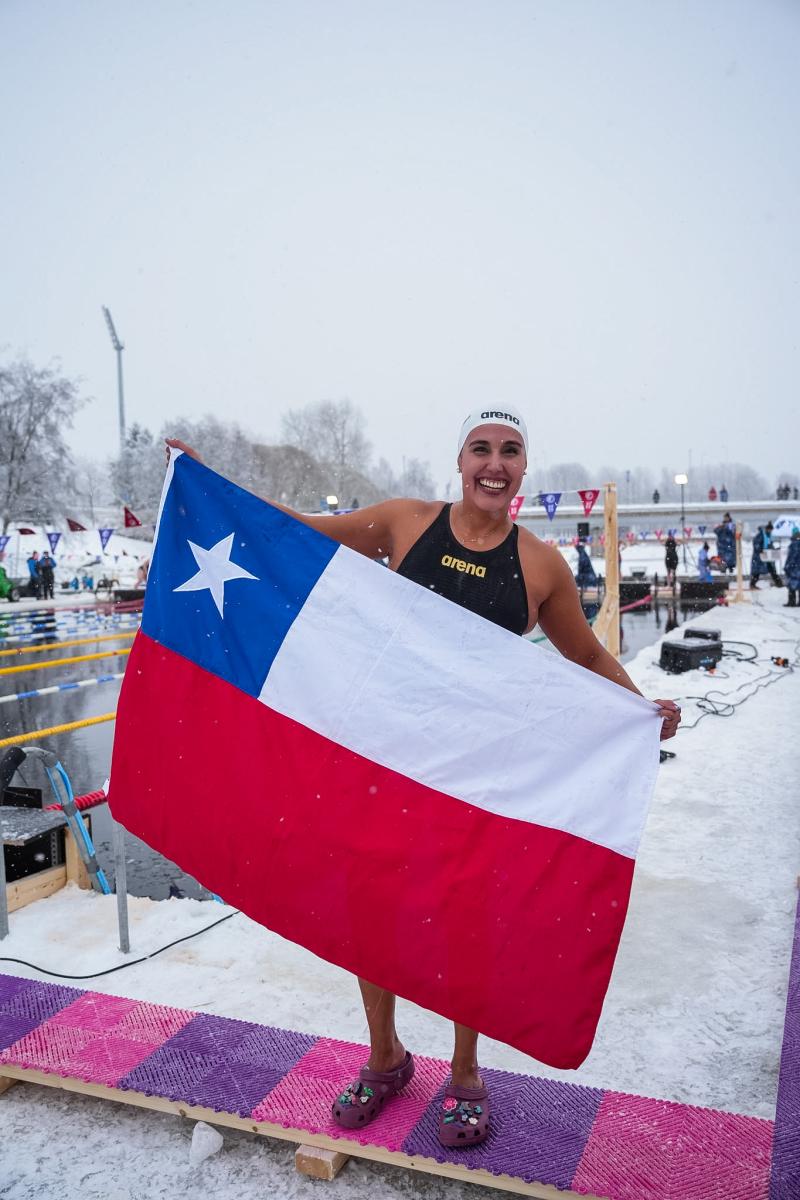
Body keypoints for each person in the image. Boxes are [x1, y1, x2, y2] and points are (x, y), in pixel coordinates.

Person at [165, 410, 680, 1148]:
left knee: (463, 920)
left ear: (523, 469)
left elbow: (588, 659)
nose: (494, 464)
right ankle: (386, 1056)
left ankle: (465, 1073)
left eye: (510, 452)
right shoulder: (406, 523)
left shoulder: (538, 565)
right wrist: (209, 485)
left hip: (476, 772)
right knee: (370, 907)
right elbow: (299, 533)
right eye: (482, 449)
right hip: (386, 754)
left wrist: (639, 711)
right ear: (461, 459)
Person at [750, 522, 783, 589]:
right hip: (759, 557)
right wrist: (760, 550)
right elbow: (756, 543)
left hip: (767, 557)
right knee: (757, 572)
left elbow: (769, 545)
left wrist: (775, 549)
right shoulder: (760, 535)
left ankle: (779, 583)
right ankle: (752, 584)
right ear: (767, 529)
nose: (771, 531)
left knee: (772, 570)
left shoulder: (768, 536)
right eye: (770, 530)